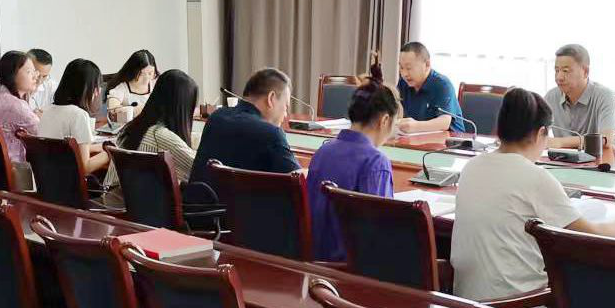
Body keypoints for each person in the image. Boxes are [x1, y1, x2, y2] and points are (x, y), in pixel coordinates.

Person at [450, 89, 615, 303]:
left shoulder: (471, 166)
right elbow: (593, 237)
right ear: (541, 133)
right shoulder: (535, 176)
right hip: (518, 306)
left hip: (464, 305)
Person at [306, 75, 399, 261]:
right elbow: (380, 233)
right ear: (384, 120)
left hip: (313, 262)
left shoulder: (323, 152)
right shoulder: (376, 162)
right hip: (352, 268)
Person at [189, 67, 301, 195]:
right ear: (271, 98)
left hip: (198, 205)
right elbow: (299, 181)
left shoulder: (216, 118)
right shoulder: (271, 134)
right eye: (285, 106)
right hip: (242, 208)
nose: (285, 114)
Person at [102, 69, 200, 211]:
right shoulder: (160, 135)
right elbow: (200, 170)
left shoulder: (133, 127)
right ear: (182, 107)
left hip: (114, 204)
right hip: (137, 212)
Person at [36, 58, 111, 176]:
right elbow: (85, 167)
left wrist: (99, 147)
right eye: (96, 86)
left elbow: (64, 150)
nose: (97, 92)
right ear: (86, 89)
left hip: (47, 182)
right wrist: (110, 152)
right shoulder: (78, 115)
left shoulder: (47, 110)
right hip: (71, 184)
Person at [543, 44, 615, 152]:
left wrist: (560, 142)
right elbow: (535, 134)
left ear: (585, 72)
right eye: (557, 70)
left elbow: (606, 139)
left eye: (565, 71)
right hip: (563, 159)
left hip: (602, 159)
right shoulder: (551, 97)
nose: (559, 77)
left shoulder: (605, 95)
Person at [395, 42, 467, 134]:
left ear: (427, 64)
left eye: (409, 68)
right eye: (401, 68)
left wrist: (415, 126)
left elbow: (444, 122)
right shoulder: (403, 83)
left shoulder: (442, 84)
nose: (404, 74)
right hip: (416, 138)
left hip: (450, 139)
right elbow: (395, 110)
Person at [104, 49, 159, 121]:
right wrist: (134, 111)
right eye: (141, 74)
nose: (146, 79)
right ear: (133, 72)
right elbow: (113, 115)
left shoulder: (156, 83)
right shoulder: (122, 88)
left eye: (150, 73)